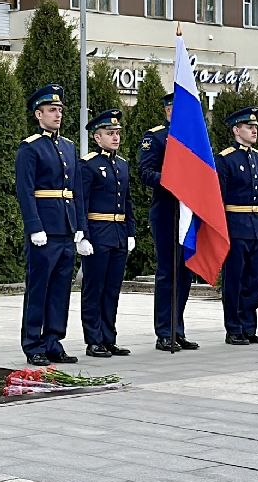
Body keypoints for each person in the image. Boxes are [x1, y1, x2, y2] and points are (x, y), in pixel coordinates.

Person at [16, 84, 82, 367]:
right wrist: (34, 227)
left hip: (65, 228)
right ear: (38, 114)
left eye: (60, 110)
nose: (57, 115)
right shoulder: (31, 148)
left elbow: (75, 188)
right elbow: (25, 189)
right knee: (39, 287)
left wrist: (79, 227)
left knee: (60, 289)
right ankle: (33, 343)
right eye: (52, 110)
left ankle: (54, 340)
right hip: (44, 229)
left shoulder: (68, 146)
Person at [138, 94, 198, 352]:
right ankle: (164, 331)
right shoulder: (157, 137)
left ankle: (178, 328)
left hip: (188, 211)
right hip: (166, 210)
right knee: (168, 273)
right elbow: (145, 172)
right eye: (177, 108)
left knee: (185, 273)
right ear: (168, 111)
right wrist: (172, 179)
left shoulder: (194, 138)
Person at [77, 108, 133, 358]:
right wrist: (83, 235)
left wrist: (130, 232)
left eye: (117, 133)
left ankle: (109, 337)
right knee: (94, 288)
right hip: (98, 233)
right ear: (97, 137)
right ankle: (94, 339)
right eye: (109, 133)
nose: (115, 137)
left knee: (112, 289)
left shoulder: (122, 165)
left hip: (118, 233)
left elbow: (128, 201)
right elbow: (82, 202)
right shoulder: (88, 165)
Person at [217, 106, 258, 344]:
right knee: (235, 279)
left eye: (255, 127)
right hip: (235, 226)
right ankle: (234, 328)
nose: (254, 130)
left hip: (256, 226)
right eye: (249, 127)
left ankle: (249, 326)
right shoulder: (226, 158)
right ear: (236, 130)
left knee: (253, 280)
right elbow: (219, 198)